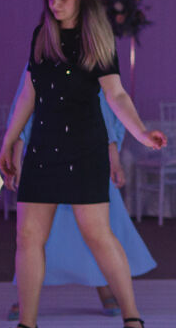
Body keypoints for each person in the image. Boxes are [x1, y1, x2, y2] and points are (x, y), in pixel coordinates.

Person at [0, 0, 166, 328]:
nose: (54, 4)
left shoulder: (97, 40)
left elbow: (116, 95)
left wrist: (141, 133)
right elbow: (29, 93)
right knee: (28, 237)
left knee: (98, 235)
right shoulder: (43, 35)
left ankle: (133, 319)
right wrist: (9, 141)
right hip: (44, 146)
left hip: (84, 148)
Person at [11, 87, 157, 304]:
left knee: (96, 228)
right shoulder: (36, 66)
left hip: (87, 155)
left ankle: (105, 286)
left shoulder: (94, 68)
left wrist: (113, 157)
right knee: (37, 233)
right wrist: (16, 154)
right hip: (47, 156)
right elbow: (24, 108)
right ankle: (26, 299)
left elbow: (107, 109)